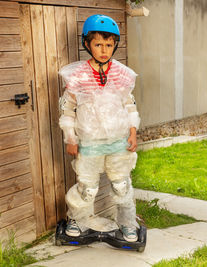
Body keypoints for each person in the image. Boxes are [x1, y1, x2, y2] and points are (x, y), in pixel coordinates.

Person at [58, 14, 140, 242]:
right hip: (90, 142)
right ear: (87, 44)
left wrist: (133, 132)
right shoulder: (78, 76)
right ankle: (78, 221)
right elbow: (67, 110)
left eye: (108, 44)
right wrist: (70, 139)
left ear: (114, 45)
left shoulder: (121, 74)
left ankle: (127, 224)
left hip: (118, 141)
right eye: (98, 44)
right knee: (88, 187)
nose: (104, 49)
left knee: (121, 185)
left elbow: (130, 105)